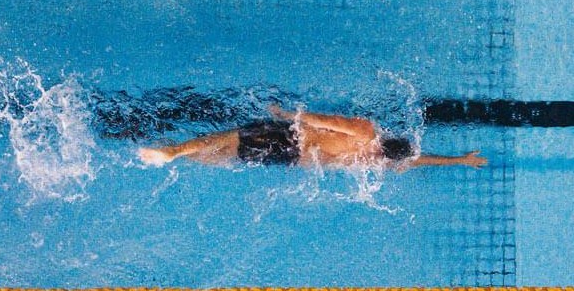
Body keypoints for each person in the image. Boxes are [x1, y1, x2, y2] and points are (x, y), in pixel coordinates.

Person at [137, 105, 487, 170]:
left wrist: (290, 116)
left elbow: (328, 121)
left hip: (291, 138)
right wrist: (459, 160)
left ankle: (173, 150)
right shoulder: (372, 159)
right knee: (222, 156)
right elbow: (416, 160)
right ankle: (179, 156)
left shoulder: (368, 133)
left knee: (226, 137)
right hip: (290, 159)